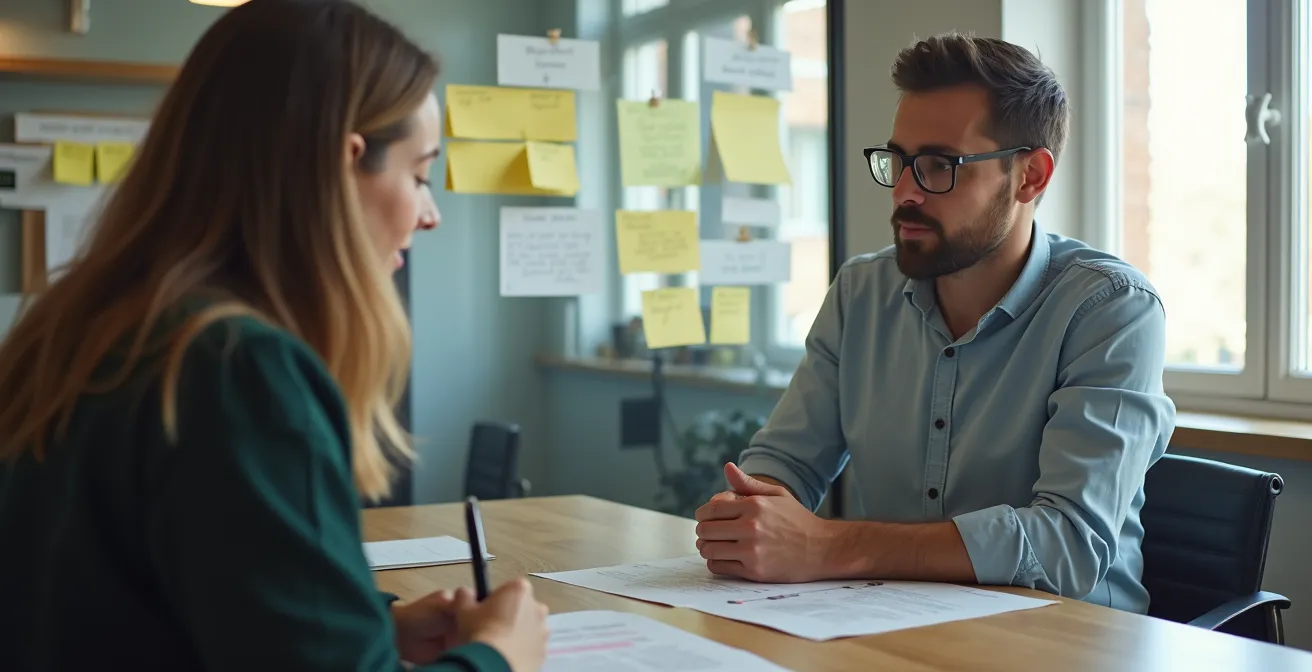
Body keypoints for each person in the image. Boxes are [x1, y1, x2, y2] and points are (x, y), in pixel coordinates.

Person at [0, 1, 547, 670]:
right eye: (419, 175)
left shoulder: (75, 328)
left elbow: (144, 597)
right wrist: (499, 655)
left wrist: (365, 625)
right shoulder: (237, 368)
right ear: (341, 168)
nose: (428, 214)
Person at [694, 33, 1176, 613]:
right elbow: (788, 462)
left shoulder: (1112, 309)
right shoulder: (861, 292)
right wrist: (753, 513)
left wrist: (827, 545)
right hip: (892, 622)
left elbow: (1067, 546)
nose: (904, 192)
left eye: (937, 167)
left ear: (1030, 177)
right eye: (898, 161)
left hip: (1064, 638)